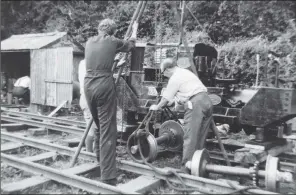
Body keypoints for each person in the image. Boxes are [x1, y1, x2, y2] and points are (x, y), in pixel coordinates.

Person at [84, 18, 137, 185]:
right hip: (103, 85)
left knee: (100, 126)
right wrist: (135, 30)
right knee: (108, 129)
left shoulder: (89, 41)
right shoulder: (113, 40)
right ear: (112, 31)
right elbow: (131, 45)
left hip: (88, 85)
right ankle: (108, 177)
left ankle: (101, 162)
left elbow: (100, 59)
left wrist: (114, 61)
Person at [149, 58, 213, 173]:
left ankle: (186, 169)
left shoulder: (175, 78)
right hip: (206, 101)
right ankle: (198, 166)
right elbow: (183, 93)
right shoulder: (185, 73)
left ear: (167, 70)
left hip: (196, 104)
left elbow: (165, 98)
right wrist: (172, 102)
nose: (165, 76)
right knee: (201, 136)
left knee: (190, 136)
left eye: (163, 74)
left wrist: (157, 107)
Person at [78, 59, 98, 153]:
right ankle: (89, 153)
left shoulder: (87, 63)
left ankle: (92, 151)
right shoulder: (86, 63)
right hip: (87, 98)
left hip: (89, 98)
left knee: (94, 128)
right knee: (92, 130)